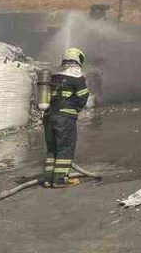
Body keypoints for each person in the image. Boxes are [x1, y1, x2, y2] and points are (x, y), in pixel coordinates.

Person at [43, 47, 89, 188]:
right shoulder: (76, 76)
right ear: (78, 59)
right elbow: (83, 96)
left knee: (52, 148)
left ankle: (49, 178)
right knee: (65, 147)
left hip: (49, 116)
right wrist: (76, 109)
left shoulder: (54, 75)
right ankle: (60, 179)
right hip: (64, 117)